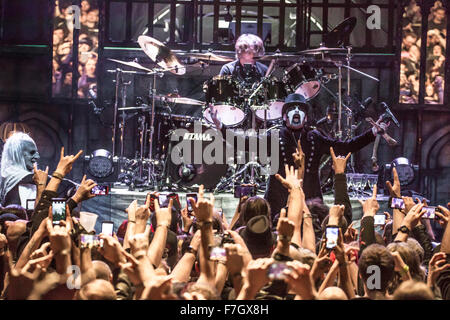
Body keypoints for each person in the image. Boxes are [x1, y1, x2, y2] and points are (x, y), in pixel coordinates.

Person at [212, 93, 385, 220]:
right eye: (292, 109)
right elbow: (244, 142)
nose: (296, 111)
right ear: (285, 117)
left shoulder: (314, 137)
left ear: (306, 117)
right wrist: (221, 127)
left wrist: (373, 132)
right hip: (277, 203)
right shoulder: (275, 136)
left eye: (300, 109)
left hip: (310, 202)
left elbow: (345, 147)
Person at [0, 132, 43, 207]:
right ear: (18, 154)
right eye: (32, 152)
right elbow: (28, 177)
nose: (37, 157)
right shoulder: (8, 174)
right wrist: (59, 174)